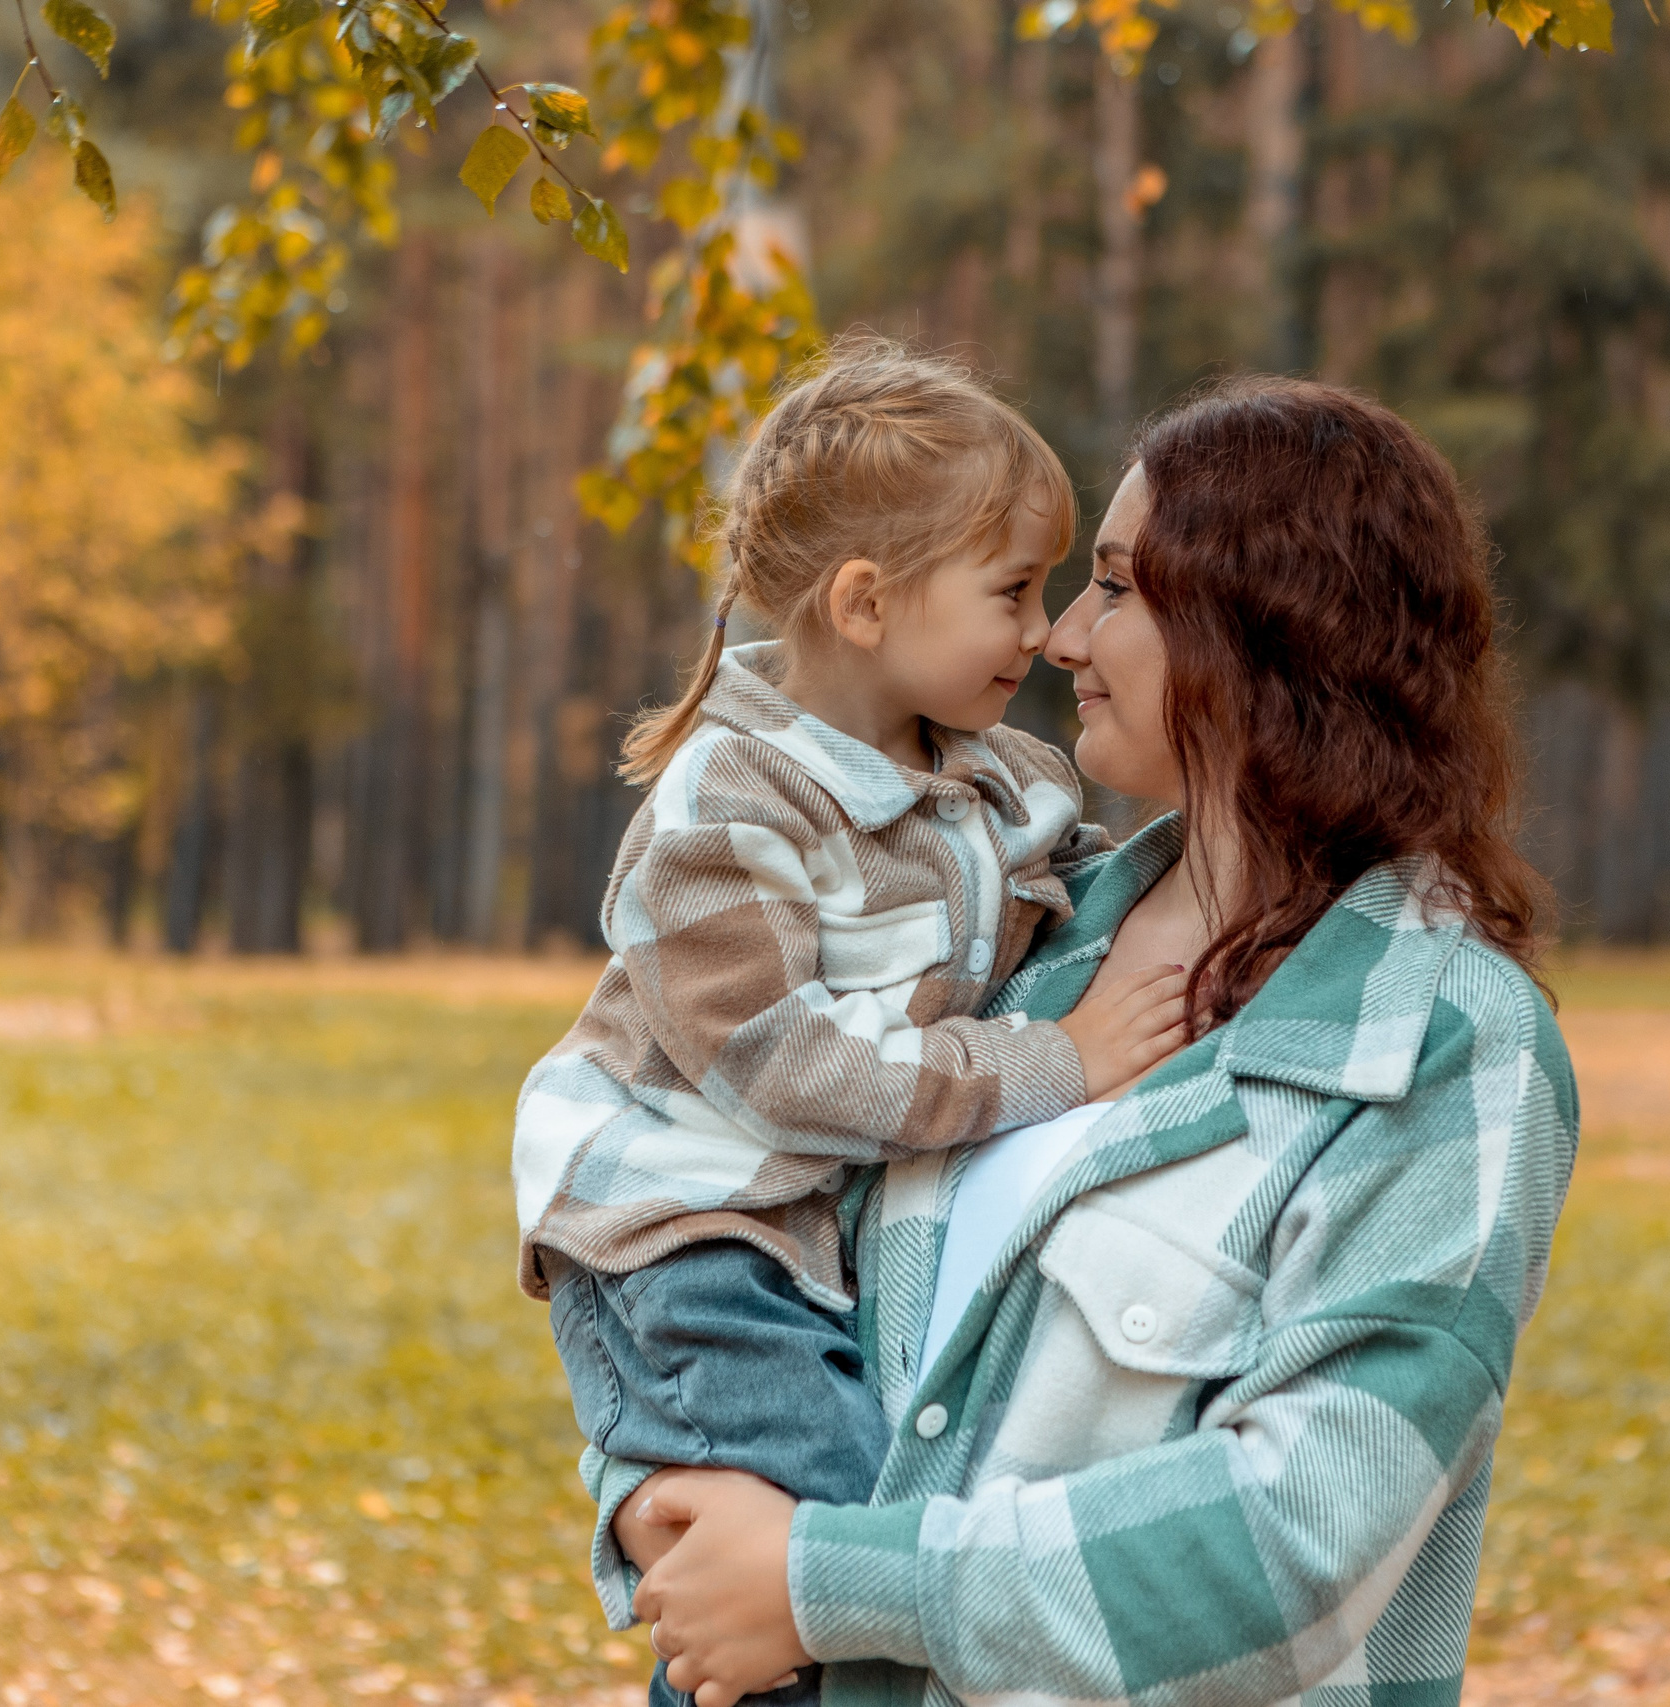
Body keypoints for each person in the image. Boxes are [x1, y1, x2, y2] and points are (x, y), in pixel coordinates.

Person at [608, 376, 1581, 1707]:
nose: (1062, 636)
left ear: (1267, 629)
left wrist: (826, 1580)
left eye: (1115, 587)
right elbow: (706, 1199)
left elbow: (1303, 1534)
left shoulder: (1442, 1040)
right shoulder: (1018, 947)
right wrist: (660, 1487)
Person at [509, 342, 1193, 1707]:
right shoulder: (726, 814)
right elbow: (789, 1071)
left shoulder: (993, 783)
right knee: (820, 1540)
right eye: (1013, 592)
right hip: (688, 1241)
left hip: (803, 1235)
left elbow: (1057, 899)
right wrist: (1056, 1063)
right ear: (868, 604)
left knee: (832, 1550)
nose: (1044, 633)